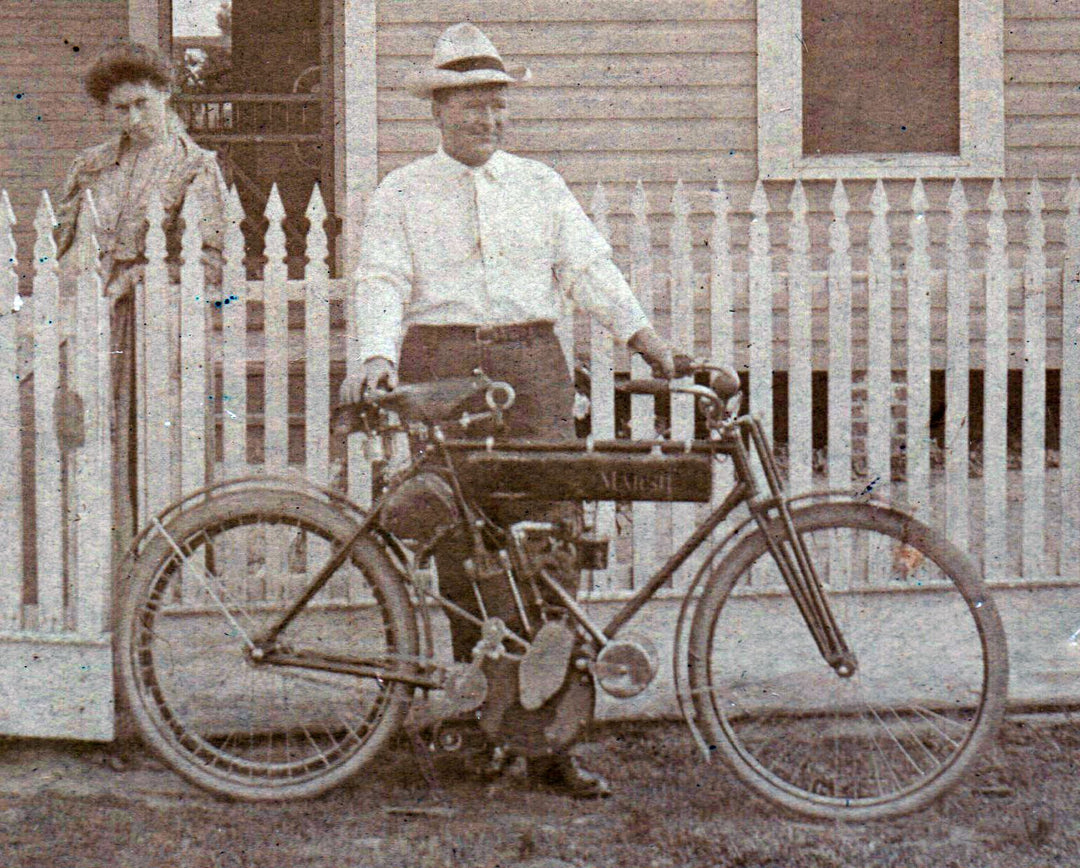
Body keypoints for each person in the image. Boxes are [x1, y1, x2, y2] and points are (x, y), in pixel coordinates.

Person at [342, 23, 674, 798]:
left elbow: (588, 268)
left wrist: (646, 340)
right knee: (464, 552)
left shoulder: (540, 186)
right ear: (438, 111)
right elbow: (382, 279)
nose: (486, 122)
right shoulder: (402, 191)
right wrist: (377, 357)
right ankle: (480, 727)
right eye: (470, 108)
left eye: (497, 108)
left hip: (533, 368)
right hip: (444, 370)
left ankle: (551, 742)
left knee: (548, 546)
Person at [55, 42, 228, 584]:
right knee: (80, 443)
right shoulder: (91, 166)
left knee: (150, 449)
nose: (132, 118)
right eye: (119, 109)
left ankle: (161, 578)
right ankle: (92, 574)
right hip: (89, 320)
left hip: (154, 326)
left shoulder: (196, 167)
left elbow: (208, 259)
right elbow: (59, 245)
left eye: (141, 104)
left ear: (166, 95)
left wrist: (136, 277)